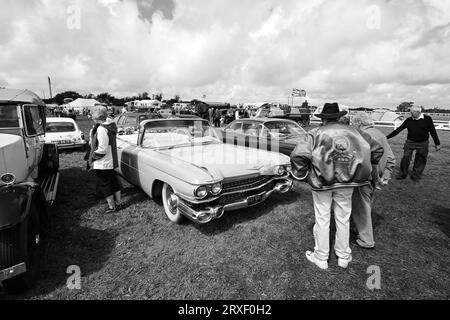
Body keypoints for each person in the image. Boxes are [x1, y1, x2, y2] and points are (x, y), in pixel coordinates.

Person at [290, 103, 384, 270]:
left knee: (322, 218)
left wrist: (303, 175)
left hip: (322, 182)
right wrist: (363, 165)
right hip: (348, 182)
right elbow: (377, 150)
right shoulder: (356, 132)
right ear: (339, 117)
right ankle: (343, 256)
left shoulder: (315, 132)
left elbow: (298, 155)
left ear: (324, 118)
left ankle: (321, 257)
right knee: (343, 217)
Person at [351, 113, 396, 249]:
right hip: (376, 177)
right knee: (367, 204)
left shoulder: (362, 136)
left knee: (361, 208)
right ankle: (357, 228)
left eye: (353, 123)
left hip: (365, 177)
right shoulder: (381, 134)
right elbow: (391, 158)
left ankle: (367, 240)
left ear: (358, 123)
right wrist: (385, 177)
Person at [386, 106, 441, 181]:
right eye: (410, 112)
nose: (410, 113)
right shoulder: (409, 120)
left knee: (420, 159)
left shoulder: (427, 119)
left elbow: (433, 131)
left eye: (412, 112)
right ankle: (403, 173)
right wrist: (386, 137)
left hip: (423, 143)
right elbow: (398, 130)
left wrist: (437, 143)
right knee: (406, 157)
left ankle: (416, 175)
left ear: (418, 112)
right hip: (410, 142)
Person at [88, 106, 122, 214]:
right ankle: (118, 203)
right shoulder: (110, 126)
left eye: (93, 117)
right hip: (110, 160)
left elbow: (102, 148)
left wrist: (92, 158)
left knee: (105, 184)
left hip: (103, 162)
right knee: (113, 181)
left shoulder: (101, 128)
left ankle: (112, 207)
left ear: (97, 118)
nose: (92, 119)